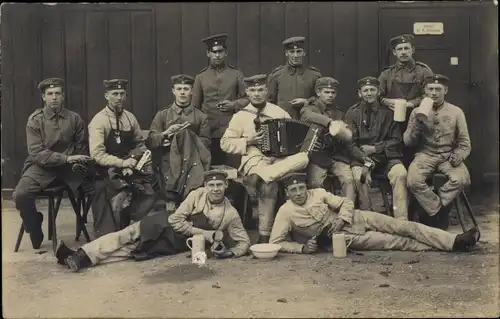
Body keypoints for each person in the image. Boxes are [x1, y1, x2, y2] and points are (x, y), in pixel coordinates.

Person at [220, 74, 342, 243]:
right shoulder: (240, 116)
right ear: (247, 92)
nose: (257, 94)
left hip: (280, 160)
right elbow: (225, 143)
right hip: (255, 158)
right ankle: (265, 233)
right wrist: (249, 140)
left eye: (260, 90)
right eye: (253, 90)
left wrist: (304, 145)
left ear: (266, 91)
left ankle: (261, 178)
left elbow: (296, 137)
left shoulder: (278, 112)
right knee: (268, 186)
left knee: (303, 159)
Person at [55, 170, 251, 272]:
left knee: (133, 251)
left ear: (226, 185)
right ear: (205, 186)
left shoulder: (231, 214)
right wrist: (207, 234)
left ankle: (79, 258)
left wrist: (229, 252)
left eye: (219, 185)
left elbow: (244, 242)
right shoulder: (197, 194)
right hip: (163, 223)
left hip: (178, 242)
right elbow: (175, 220)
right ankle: (81, 256)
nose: (215, 189)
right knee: (124, 236)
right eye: (211, 185)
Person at [269, 173, 480, 254]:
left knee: (404, 226)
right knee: (398, 242)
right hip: (346, 238)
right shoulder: (286, 212)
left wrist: (342, 217)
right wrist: (302, 247)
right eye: (293, 190)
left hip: (357, 217)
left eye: (301, 188)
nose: (298, 193)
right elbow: (275, 242)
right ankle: (446, 248)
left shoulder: (318, 193)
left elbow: (345, 202)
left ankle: (454, 241)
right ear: (287, 193)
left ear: (306, 187)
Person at [13, 78, 94, 249]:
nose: (54, 97)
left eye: (58, 93)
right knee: (20, 194)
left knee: (97, 187)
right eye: (50, 94)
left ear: (63, 96)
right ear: (43, 97)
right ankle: (34, 225)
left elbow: (81, 148)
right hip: (41, 168)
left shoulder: (74, 119)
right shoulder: (35, 120)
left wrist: (76, 160)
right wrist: (65, 158)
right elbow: (37, 153)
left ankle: (95, 232)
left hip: (68, 170)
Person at [88, 79, 158, 238]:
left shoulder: (130, 118)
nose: (119, 97)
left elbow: (140, 142)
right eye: (114, 94)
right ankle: (112, 232)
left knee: (152, 186)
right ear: (107, 96)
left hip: (130, 164)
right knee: (115, 192)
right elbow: (97, 155)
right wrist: (122, 163)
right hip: (105, 169)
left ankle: (130, 217)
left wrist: (143, 156)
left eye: (122, 94)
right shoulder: (99, 121)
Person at [405, 74, 471, 230]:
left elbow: (465, 143)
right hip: (425, 155)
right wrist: (417, 125)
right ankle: (438, 211)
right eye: (430, 89)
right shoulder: (416, 112)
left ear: (445, 90)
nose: (434, 93)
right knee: (412, 181)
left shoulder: (456, 112)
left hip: (448, 155)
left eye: (438, 89)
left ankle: (436, 207)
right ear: (425, 91)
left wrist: (458, 155)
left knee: (462, 179)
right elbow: (408, 142)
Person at [344, 77, 409, 220]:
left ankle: (401, 221)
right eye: (365, 90)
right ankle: (369, 218)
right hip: (361, 159)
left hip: (387, 157)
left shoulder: (389, 112)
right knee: (359, 177)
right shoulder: (352, 113)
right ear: (359, 93)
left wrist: (375, 148)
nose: (369, 93)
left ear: (378, 92)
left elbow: (396, 140)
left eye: (372, 90)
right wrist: (364, 157)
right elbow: (349, 143)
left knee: (401, 174)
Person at [148, 74, 211, 210]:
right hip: (168, 161)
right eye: (179, 89)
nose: (182, 92)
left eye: (186, 89)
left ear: (192, 91)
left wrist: (189, 139)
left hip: (192, 161)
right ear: (173, 91)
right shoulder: (163, 115)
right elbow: (151, 139)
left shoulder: (200, 116)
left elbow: (206, 142)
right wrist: (165, 136)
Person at [192, 33, 249, 168]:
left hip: (232, 131)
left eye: (220, 51)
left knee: (233, 170)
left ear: (226, 53)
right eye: (214, 52)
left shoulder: (236, 74)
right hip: (209, 133)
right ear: (208, 54)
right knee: (211, 170)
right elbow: (195, 107)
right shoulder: (201, 77)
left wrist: (234, 105)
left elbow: (248, 98)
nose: (217, 55)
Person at [378, 34, 433, 166]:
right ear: (394, 52)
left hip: (418, 119)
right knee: (395, 153)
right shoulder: (387, 74)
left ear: (412, 50)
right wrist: (386, 102)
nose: (403, 52)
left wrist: (412, 104)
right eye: (400, 49)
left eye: (406, 48)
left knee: (417, 154)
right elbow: (377, 96)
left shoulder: (423, 71)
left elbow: (430, 95)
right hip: (393, 120)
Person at [299, 77, 357, 202]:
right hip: (316, 156)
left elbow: (347, 133)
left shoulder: (338, 112)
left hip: (335, 155)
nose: (330, 95)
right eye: (326, 92)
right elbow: (307, 116)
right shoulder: (310, 108)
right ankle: (322, 212)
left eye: (333, 92)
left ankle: (347, 211)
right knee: (316, 183)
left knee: (348, 180)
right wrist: (331, 123)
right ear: (318, 93)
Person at [267, 36, 322, 119]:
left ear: (304, 53)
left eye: (299, 51)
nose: (295, 55)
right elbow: (269, 102)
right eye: (292, 52)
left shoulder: (314, 75)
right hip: (284, 121)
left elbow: (321, 100)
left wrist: (306, 101)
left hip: (308, 121)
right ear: (286, 53)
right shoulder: (277, 75)